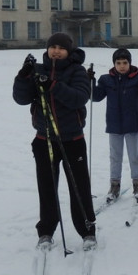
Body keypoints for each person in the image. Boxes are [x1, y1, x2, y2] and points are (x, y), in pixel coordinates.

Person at [13, 32, 97, 251]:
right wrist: (23, 75)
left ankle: (87, 230)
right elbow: (21, 99)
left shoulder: (77, 71)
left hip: (72, 139)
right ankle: (46, 231)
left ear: (68, 51)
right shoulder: (37, 70)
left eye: (61, 48)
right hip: (44, 139)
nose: (56, 51)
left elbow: (79, 97)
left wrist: (53, 85)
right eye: (53, 47)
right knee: (47, 187)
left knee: (79, 186)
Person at [89, 48, 138, 203]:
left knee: (134, 155)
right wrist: (90, 81)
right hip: (114, 124)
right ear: (114, 64)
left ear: (130, 63)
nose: (122, 66)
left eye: (125, 63)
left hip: (132, 124)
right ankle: (114, 184)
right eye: (118, 63)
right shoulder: (106, 79)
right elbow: (96, 97)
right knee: (115, 156)